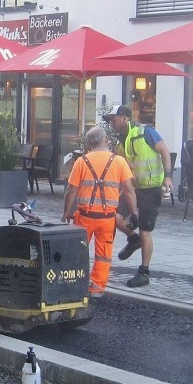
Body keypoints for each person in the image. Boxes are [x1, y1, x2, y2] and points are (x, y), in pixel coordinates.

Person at [61, 125, 138, 297]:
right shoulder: (119, 161)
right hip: (107, 219)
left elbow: (71, 190)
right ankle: (96, 289)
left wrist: (66, 212)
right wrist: (134, 213)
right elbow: (129, 190)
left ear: (89, 143)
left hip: (84, 218)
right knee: (103, 255)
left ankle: (75, 286)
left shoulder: (81, 161)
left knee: (77, 253)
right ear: (106, 141)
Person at [103, 104, 173, 288]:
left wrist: (168, 177)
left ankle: (144, 272)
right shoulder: (120, 141)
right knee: (112, 216)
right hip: (133, 189)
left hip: (151, 188)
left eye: (114, 120)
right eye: (110, 121)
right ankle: (133, 239)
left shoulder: (145, 132)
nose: (112, 124)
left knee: (145, 230)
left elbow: (164, 151)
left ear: (124, 118)